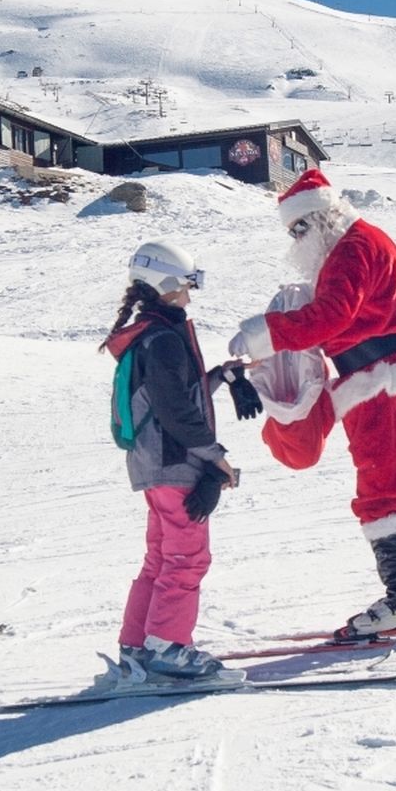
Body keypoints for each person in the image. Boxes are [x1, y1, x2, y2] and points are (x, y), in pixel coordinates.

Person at [229, 169, 396, 636]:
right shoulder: (356, 244)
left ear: (320, 218)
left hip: (387, 377)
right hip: (395, 372)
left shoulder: (352, 249)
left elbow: (332, 317)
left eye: (298, 230)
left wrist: (264, 334)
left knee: (383, 490)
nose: (295, 241)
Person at [103, 240, 244, 681]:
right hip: (173, 463)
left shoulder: (152, 334)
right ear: (166, 284)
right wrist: (216, 459)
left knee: (161, 558)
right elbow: (176, 412)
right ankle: (168, 647)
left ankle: (138, 643)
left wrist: (221, 375)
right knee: (187, 559)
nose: (191, 292)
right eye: (189, 282)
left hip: (158, 465)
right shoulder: (162, 340)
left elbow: (176, 397)